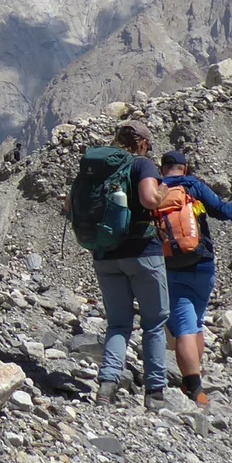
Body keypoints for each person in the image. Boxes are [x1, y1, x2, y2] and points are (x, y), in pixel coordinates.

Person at [92, 120, 172, 407]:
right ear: (143, 144)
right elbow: (149, 199)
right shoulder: (142, 164)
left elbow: (68, 205)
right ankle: (155, 393)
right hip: (142, 252)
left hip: (105, 255)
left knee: (118, 323)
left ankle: (107, 387)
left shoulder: (99, 166)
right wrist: (163, 193)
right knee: (154, 323)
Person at [159, 152, 232, 406]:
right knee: (195, 322)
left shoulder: (155, 189)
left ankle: (194, 387)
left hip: (171, 266)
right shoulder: (193, 186)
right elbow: (226, 212)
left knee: (184, 326)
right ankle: (194, 381)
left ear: (162, 169)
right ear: (185, 168)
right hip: (203, 264)